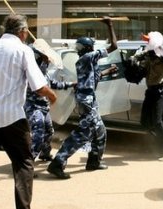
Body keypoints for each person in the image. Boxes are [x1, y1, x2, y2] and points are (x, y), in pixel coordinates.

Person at [0, 14, 57, 209]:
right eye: (26, 31)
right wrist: (52, 96)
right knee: (24, 163)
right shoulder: (23, 50)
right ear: (22, 31)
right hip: (11, 118)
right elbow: (39, 86)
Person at [47, 16, 118, 179]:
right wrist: (110, 24)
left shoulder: (84, 61)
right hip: (87, 102)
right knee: (82, 134)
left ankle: (94, 161)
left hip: (88, 100)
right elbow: (114, 46)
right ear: (88, 48)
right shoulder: (87, 58)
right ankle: (57, 162)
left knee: (100, 131)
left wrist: (107, 72)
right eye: (92, 47)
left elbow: (92, 77)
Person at [132, 31, 163, 161]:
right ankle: (158, 145)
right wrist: (136, 59)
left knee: (157, 122)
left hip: (159, 91)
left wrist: (161, 44)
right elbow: (139, 65)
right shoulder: (147, 56)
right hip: (150, 91)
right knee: (145, 122)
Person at [24, 46, 76, 161]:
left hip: (43, 108)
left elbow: (53, 83)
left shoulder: (44, 74)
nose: (47, 62)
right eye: (45, 60)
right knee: (38, 135)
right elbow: (41, 88)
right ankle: (28, 163)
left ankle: (45, 153)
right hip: (33, 108)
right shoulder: (32, 74)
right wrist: (52, 96)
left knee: (49, 132)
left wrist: (71, 84)